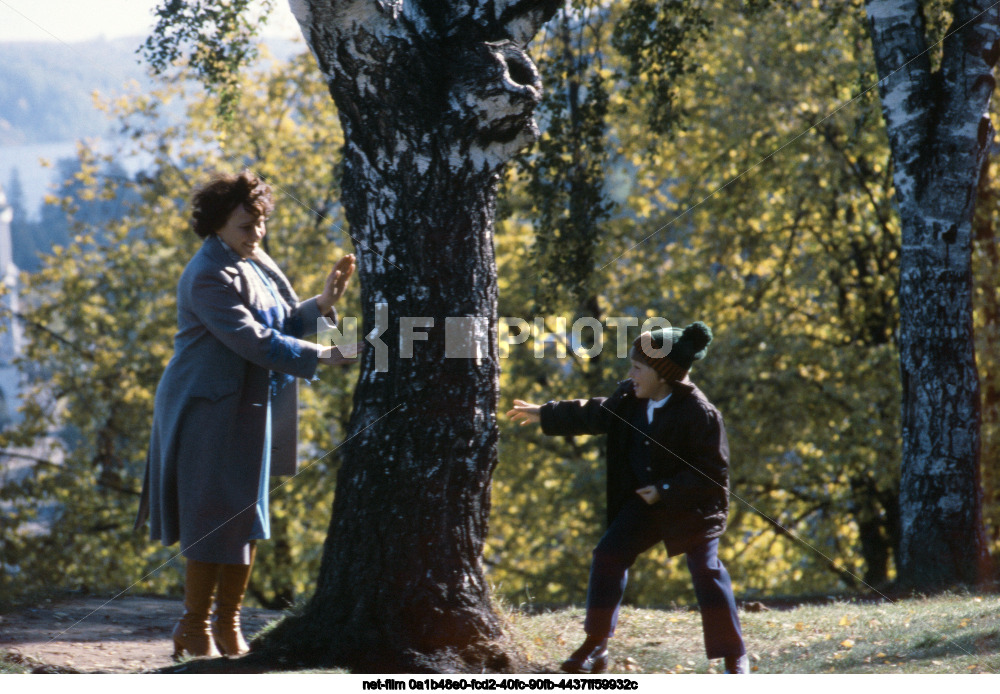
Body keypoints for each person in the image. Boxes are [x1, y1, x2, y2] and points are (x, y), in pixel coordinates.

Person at [135, 170, 360, 660]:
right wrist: (329, 355)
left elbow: (278, 321)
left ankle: (226, 625)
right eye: (245, 225)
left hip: (248, 406)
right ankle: (195, 628)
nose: (256, 233)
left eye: (260, 222)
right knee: (213, 516)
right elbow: (254, 341)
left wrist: (323, 304)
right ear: (216, 224)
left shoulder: (251, 260)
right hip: (206, 410)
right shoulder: (207, 274)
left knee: (246, 516)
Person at [507, 321, 748, 674]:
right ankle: (595, 645)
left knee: (706, 570)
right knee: (608, 554)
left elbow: (713, 474)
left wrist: (665, 490)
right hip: (645, 504)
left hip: (692, 507)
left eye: (638, 367)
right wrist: (545, 412)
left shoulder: (700, 413)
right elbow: (595, 412)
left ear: (662, 375)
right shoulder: (630, 399)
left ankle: (733, 656)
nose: (631, 373)